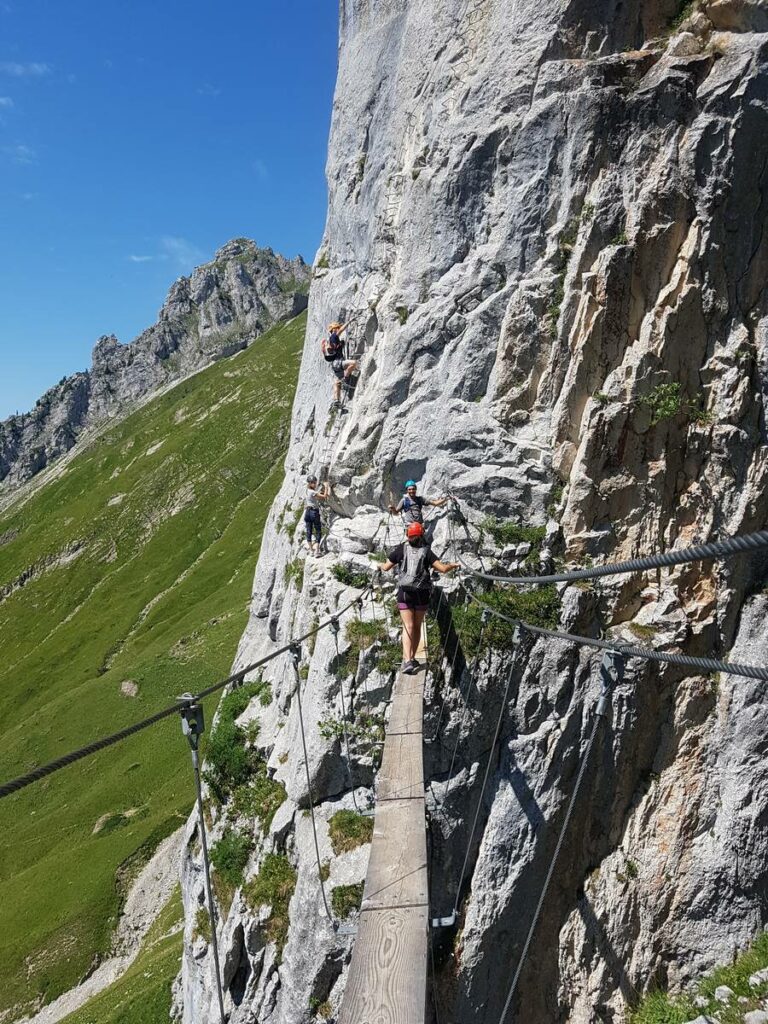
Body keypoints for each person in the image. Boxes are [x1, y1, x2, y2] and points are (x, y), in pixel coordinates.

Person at [380, 522, 459, 673]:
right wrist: (453, 566)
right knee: (417, 626)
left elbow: (386, 567)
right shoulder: (426, 551)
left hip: (405, 593)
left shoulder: (401, 549)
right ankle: (412, 658)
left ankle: (408, 660)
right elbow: (442, 569)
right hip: (421, 594)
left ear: (408, 536)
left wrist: (378, 565)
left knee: (407, 626)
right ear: (422, 535)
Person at [322, 322, 358, 407]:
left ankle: (336, 399)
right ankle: (346, 377)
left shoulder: (329, 340)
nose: (338, 329)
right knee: (354, 363)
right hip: (339, 362)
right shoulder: (334, 336)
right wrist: (349, 322)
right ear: (333, 329)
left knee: (337, 382)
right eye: (336, 328)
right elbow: (341, 330)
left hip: (334, 366)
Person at [304, 475, 329, 556]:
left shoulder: (307, 490)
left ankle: (311, 550)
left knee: (309, 531)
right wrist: (326, 487)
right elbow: (324, 497)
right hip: (314, 512)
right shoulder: (313, 492)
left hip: (307, 512)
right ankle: (317, 551)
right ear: (310, 483)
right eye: (313, 483)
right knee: (318, 530)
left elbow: (315, 497)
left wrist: (318, 493)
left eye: (315, 482)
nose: (315, 484)